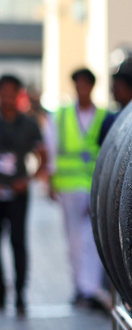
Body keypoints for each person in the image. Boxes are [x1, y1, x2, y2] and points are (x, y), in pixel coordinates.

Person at [46, 67, 109, 310]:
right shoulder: (61, 116)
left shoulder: (104, 115)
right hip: (70, 187)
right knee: (74, 239)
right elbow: (52, 149)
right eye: (78, 84)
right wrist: (51, 182)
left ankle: (89, 287)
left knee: (91, 238)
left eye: (85, 84)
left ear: (92, 86)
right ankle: (82, 287)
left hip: (94, 186)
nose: (81, 89)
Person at [0, 75, 47, 316]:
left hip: (18, 193)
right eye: (3, 93)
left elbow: (43, 156)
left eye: (11, 93)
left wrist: (28, 179)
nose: (6, 98)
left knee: (18, 242)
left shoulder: (29, 124)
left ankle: (20, 293)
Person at [98, 69, 132, 144]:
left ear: (131, 89)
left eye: (117, 87)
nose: (113, 91)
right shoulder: (110, 121)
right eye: (113, 87)